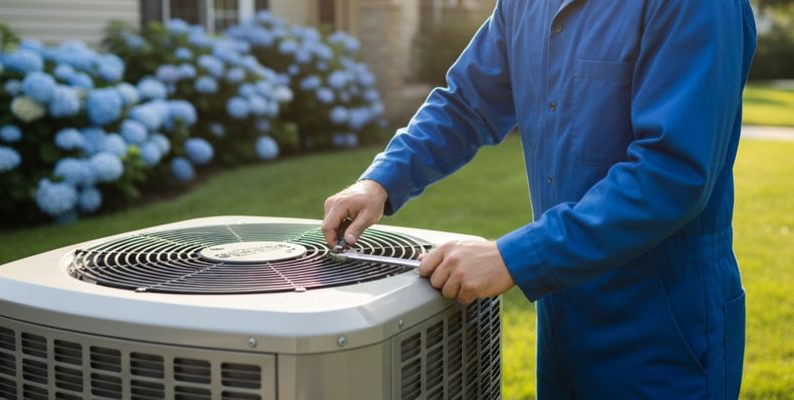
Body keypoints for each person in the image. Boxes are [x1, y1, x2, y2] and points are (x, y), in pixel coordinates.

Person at [322, 0, 756, 398]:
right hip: (563, 314)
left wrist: (514, 257)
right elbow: (467, 104)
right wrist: (380, 180)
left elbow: (671, 173)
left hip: (663, 325)